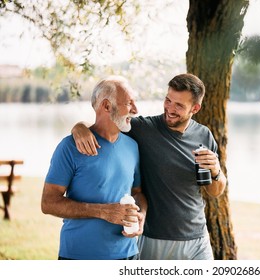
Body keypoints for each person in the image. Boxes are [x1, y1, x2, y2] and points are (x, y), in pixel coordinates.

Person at [72, 73, 227, 260]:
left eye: (179, 105)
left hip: (197, 239)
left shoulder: (204, 135)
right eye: (168, 100)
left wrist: (217, 172)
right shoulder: (144, 129)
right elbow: (104, 124)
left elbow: (215, 191)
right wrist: (79, 127)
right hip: (154, 239)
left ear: (195, 108)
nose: (170, 108)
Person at [41, 75, 147, 260]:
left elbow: (137, 192)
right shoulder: (70, 147)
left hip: (128, 255)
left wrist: (142, 214)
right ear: (106, 106)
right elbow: (48, 203)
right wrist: (103, 212)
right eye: (129, 103)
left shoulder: (133, 146)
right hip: (79, 256)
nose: (136, 110)